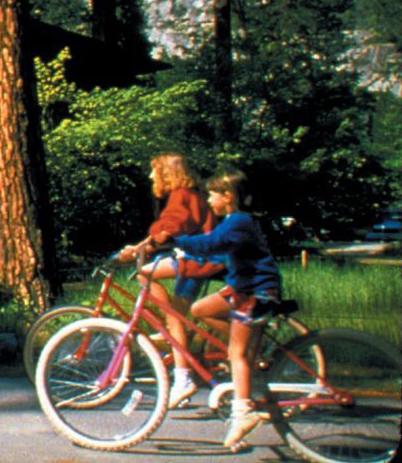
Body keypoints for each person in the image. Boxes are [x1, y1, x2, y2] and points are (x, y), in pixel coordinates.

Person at [172, 171, 282, 450]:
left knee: (237, 354)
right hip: (241, 288)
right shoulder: (235, 222)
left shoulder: (239, 221)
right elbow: (217, 250)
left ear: (227, 196)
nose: (208, 199)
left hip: (253, 292)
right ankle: (247, 350)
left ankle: (243, 412)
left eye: (212, 194)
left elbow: (211, 242)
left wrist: (177, 238)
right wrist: (188, 252)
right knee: (200, 309)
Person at [116, 152, 223, 408]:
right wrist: (144, 246)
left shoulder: (182, 196)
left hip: (199, 260)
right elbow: (169, 230)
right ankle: (171, 322)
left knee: (168, 305)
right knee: (149, 275)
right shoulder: (190, 195)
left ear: (167, 173)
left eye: (155, 171)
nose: (151, 176)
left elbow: (169, 229)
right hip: (198, 256)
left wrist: (140, 248)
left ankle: (183, 377)